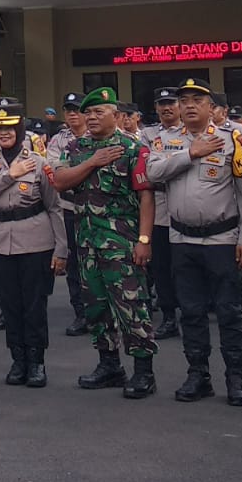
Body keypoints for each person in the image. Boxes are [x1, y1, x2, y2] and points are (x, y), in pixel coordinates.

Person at [145, 78, 242, 406]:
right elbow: (152, 174)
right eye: (184, 100)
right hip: (182, 238)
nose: (189, 105)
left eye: (197, 100)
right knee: (190, 311)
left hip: (222, 239)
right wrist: (191, 154)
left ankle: (236, 377)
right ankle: (198, 374)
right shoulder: (164, 141)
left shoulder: (231, 140)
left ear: (212, 108)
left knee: (229, 312)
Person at [51, 88, 157, 398]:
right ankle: (109, 364)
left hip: (122, 242)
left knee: (131, 306)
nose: (92, 117)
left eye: (100, 111)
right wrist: (93, 162)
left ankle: (143, 371)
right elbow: (60, 182)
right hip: (87, 242)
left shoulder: (132, 149)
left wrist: (144, 240)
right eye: (89, 113)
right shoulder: (76, 147)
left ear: (116, 115)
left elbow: (146, 196)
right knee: (96, 306)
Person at [0, 99, 66, 388]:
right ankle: (18, 360)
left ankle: (36, 361)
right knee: (10, 305)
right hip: (1, 240)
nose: (4, 133)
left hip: (35, 240)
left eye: (10, 127)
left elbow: (54, 206)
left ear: (20, 129)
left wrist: (61, 248)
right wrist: (8, 175)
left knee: (34, 305)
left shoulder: (39, 163)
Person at [45, 92, 91, 338]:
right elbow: (52, 170)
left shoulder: (96, 136)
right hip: (68, 207)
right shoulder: (58, 140)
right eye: (68, 110)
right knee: (73, 263)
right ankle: (81, 313)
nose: (73, 114)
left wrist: (72, 172)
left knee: (97, 262)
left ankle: (102, 311)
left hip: (94, 208)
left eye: (77, 109)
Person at [140, 87, 182, 340]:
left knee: (185, 267)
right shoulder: (147, 135)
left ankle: (190, 312)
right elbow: (147, 170)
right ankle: (168, 316)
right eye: (161, 104)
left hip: (186, 208)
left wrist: (166, 166)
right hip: (159, 210)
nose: (167, 108)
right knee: (162, 267)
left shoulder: (191, 132)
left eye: (171, 103)